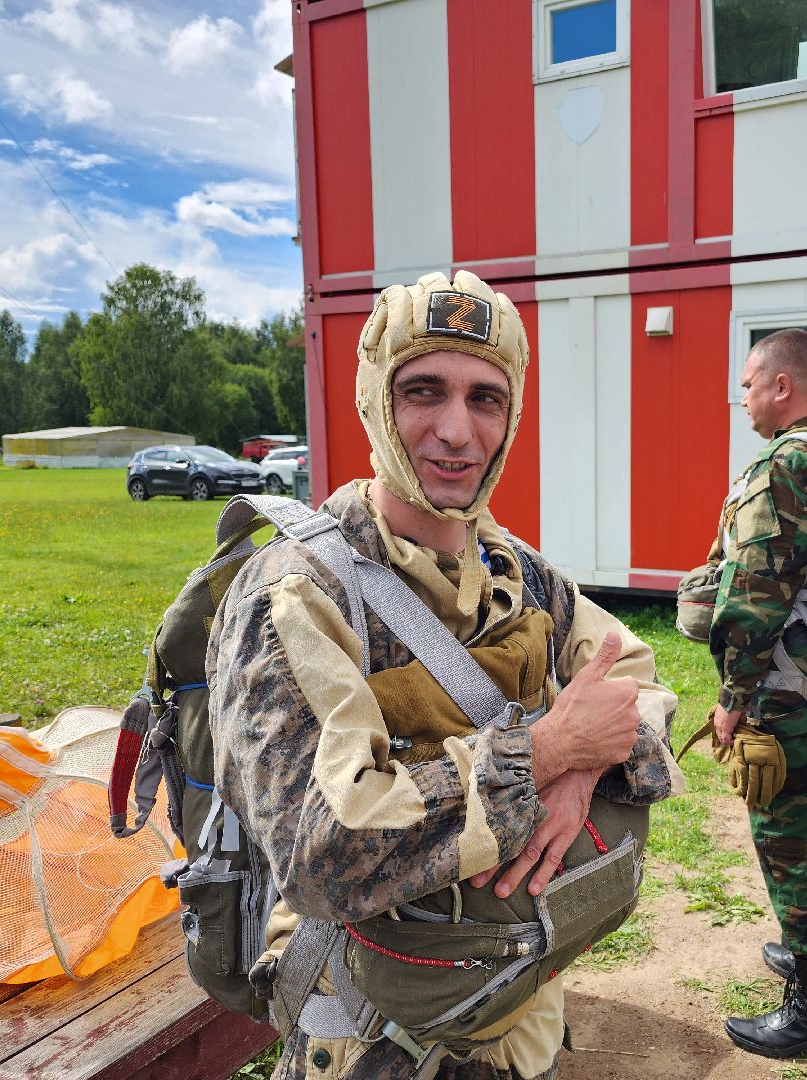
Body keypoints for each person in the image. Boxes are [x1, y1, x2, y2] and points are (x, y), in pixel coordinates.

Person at [206, 271, 682, 1080]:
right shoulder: (297, 594)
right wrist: (540, 753)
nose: (457, 430)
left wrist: (586, 759)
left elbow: (637, 679)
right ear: (375, 403)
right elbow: (321, 850)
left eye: (486, 399)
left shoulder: (520, 575)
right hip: (368, 1040)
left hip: (520, 1012)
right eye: (424, 390)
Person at [704, 328, 807, 1061]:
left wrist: (734, 696)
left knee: (793, 842)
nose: (739, 398)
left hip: (784, 688)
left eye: (745, 384)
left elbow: (757, 588)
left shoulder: (786, 466)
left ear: (780, 386)